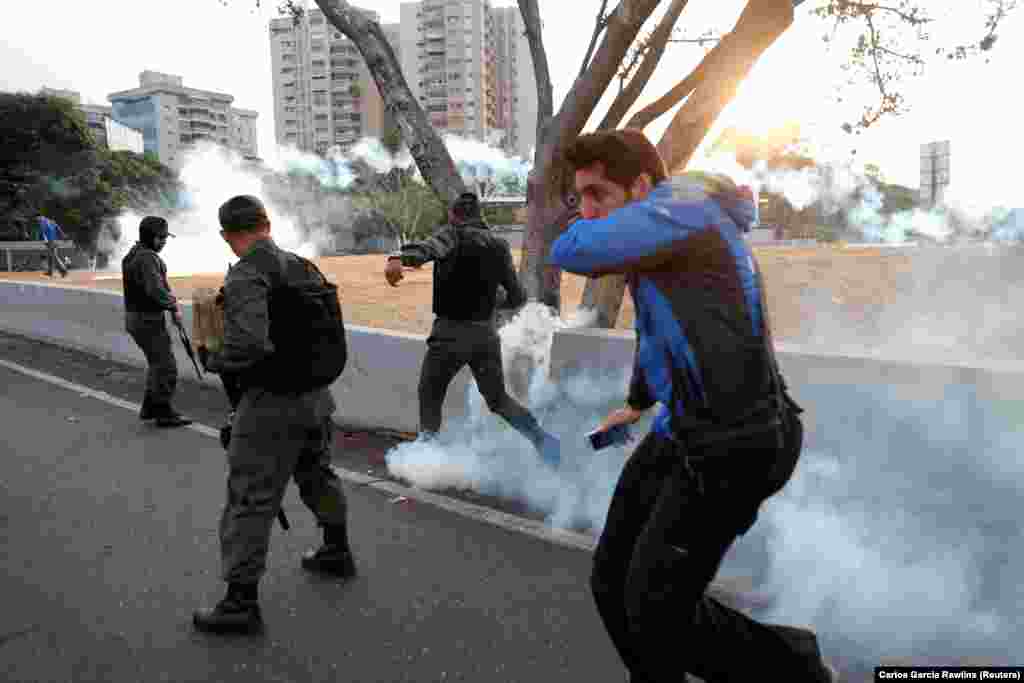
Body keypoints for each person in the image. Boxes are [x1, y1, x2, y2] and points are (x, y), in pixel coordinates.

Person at [549, 129, 835, 682]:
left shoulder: (685, 207)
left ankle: (798, 668)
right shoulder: (661, 234)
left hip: (738, 443)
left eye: (598, 195)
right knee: (612, 580)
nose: (586, 210)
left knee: (657, 608)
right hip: (683, 431)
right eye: (579, 197)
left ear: (641, 186)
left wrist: (584, 227)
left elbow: (573, 250)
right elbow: (659, 331)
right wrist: (635, 403)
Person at [192, 195, 355, 635]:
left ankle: (240, 601)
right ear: (267, 222)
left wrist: (214, 360)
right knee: (318, 474)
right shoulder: (304, 266)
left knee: (250, 496)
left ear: (229, 236)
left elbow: (249, 345)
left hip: (271, 404)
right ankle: (336, 549)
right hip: (317, 397)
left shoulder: (248, 272)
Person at [384, 192, 560, 466]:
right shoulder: (499, 246)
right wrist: (494, 300)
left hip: (449, 335)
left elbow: (426, 250)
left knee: (430, 392)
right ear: (480, 216)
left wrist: (397, 257)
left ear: (455, 215)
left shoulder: (452, 234)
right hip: (485, 336)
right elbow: (517, 297)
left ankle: (425, 454)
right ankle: (540, 438)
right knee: (498, 400)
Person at [121, 216, 192, 428]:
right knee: (166, 366)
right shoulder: (147, 258)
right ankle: (163, 412)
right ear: (152, 237)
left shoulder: (133, 254)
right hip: (147, 320)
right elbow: (155, 289)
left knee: (156, 364)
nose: (164, 242)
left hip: (135, 318)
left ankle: (150, 407)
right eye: (162, 238)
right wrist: (173, 305)